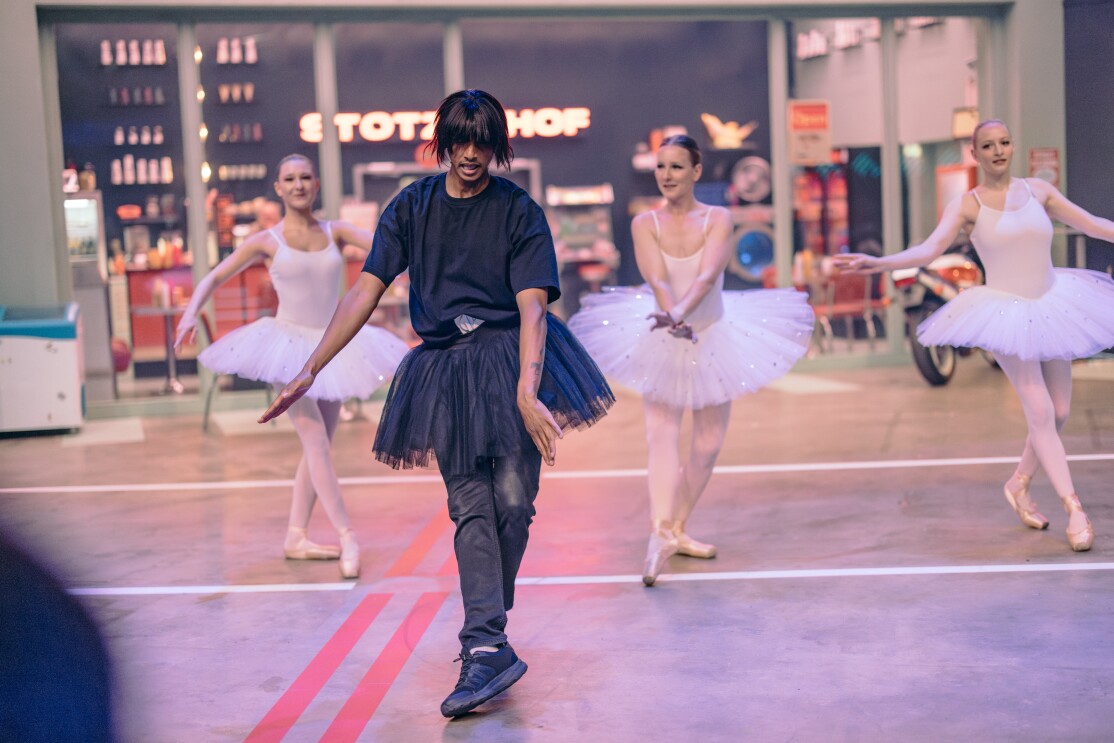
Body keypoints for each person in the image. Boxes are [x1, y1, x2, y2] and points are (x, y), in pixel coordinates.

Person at [259, 90, 613, 718]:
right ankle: (484, 644)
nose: (472, 155)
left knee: (513, 505)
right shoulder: (412, 206)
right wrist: (310, 368)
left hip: (511, 358)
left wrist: (528, 388)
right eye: (461, 142)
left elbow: (534, 305)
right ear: (445, 143)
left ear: (496, 145)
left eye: (483, 142)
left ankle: (488, 631)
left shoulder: (518, 210)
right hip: (446, 367)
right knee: (469, 503)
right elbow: (364, 291)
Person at [834, 119, 1114, 552]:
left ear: (1012, 146)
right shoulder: (968, 206)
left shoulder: (1038, 192)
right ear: (975, 152)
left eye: (1004, 142)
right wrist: (881, 262)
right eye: (988, 145)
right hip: (1006, 313)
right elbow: (928, 250)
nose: (998, 150)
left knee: (1058, 412)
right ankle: (1073, 507)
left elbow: (1093, 223)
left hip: (1055, 303)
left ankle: (1018, 484)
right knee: (1039, 411)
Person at [568, 135, 814, 586]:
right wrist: (670, 313)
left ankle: (675, 528)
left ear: (696, 172)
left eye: (677, 167)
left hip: (713, 335)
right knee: (660, 435)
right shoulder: (646, 223)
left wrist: (680, 313)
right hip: (662, 336)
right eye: (662, 167)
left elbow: (707, 275)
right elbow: (656, 277)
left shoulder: (717, 217)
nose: (667, 175)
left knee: (707, 443)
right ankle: (659, 534)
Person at [175, 154, 409, 579]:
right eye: (289, 179)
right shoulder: (267, 240)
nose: (298, 184)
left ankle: (296, 535)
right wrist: (191, 313)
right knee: (315, 442)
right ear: (278, 188)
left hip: (332, 348)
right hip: (286, 349)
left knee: (315, 450)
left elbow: (391, 246)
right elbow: (214, 276)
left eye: (305, 177)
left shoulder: (336, 232)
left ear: (315, 184)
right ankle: (347, 536)